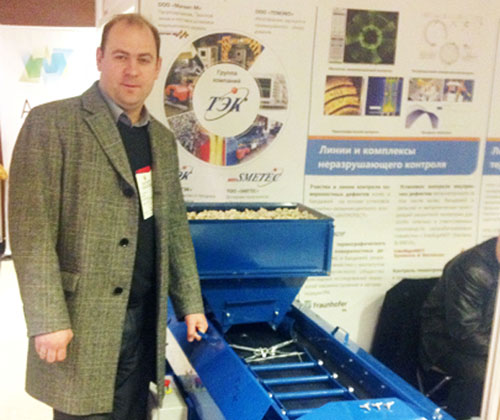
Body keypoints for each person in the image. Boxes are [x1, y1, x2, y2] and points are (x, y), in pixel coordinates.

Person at [8, 13, 208, 420]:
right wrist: (47, 319)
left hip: (143, 319)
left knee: (134, 412)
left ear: (157, 66)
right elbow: (31, 231)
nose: (132, 70)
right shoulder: (52, 124)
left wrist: (191, 303)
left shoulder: (161, 140)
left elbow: (173, 226)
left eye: (143, 59)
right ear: (100, 58)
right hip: (81, 321)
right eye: (120, 56)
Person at [419, 236, 499, 419]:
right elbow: (465, 332)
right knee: (486, 375)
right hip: (446, 343)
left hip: (488, 340)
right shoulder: (471, 269)